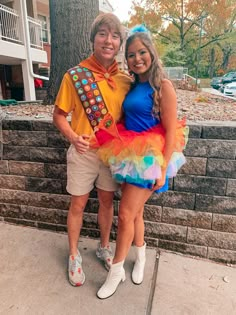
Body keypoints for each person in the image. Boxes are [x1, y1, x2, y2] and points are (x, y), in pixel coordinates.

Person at [95, 25, 189, 299]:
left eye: (142, 52)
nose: (137, 58)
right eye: (132, 54)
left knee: (124, 214)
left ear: (152, 53)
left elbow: (171, 131)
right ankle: (142, 255)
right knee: (135, 214)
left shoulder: (164, 87)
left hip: (150, 158)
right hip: (128, 154)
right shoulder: (134, 84)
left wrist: (162, 170)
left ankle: (116, 270)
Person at [53, 13, 131, 287]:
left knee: (108, 203)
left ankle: (104, 247)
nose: (108, 40)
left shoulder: (125, 80)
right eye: (103, 34)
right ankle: (74, 255)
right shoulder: (75, 76)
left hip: (111, 155)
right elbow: (59, 115)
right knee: (78, 204)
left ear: (120, 42)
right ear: (93, 38)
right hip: (84, 153)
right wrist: (74, 137)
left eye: (114, 35)